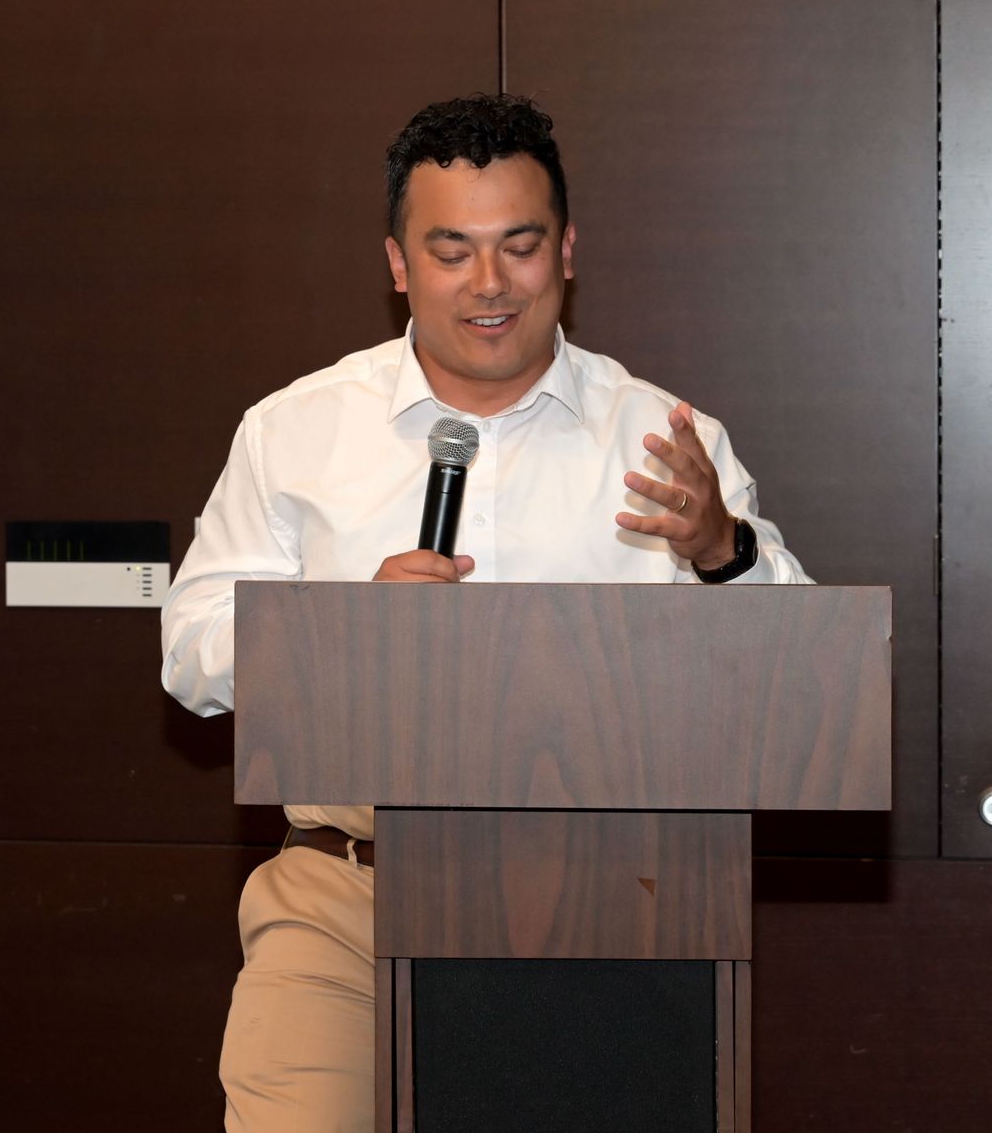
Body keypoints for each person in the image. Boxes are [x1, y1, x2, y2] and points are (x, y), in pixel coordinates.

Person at [160, 94, 811, 1131]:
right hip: (350, 901)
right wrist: (344, 631)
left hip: (616, 903)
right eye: (451, 250)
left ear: (567, 252)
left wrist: (721, 553)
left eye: (520, 244)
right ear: (398, 264)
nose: (489, 282)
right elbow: (191, 659)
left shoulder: (664, 438)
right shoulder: (294, 433)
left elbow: (805, 690)